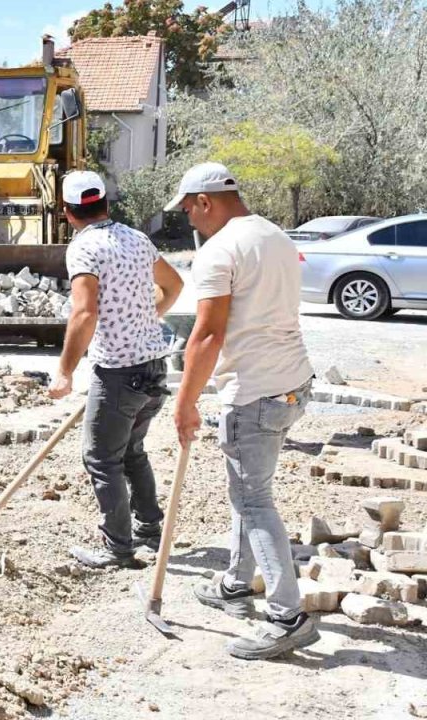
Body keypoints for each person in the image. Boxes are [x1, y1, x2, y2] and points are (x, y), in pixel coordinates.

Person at [168, 162, 319, 660]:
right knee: (249, 491)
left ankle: (287, 617)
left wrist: (185, 402)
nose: (188, 218)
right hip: (292, 382)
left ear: (206, 201)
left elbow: (207, 335)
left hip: (255, 393)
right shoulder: (273, 235)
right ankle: (236, 582)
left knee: (254, 500)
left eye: (188, 208)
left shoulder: (218, 250)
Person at [49, 171, 185, 569]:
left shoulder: (84, 249)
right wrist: (147, 317)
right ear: (106, 204)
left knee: (102, 459)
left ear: (68, 213)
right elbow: (174, 286)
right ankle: (149, 527)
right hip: (154, 368)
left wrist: (65, 371)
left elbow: (84, 312)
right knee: (131, 451)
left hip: (119, 374)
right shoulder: (136, 239)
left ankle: (118, 548)